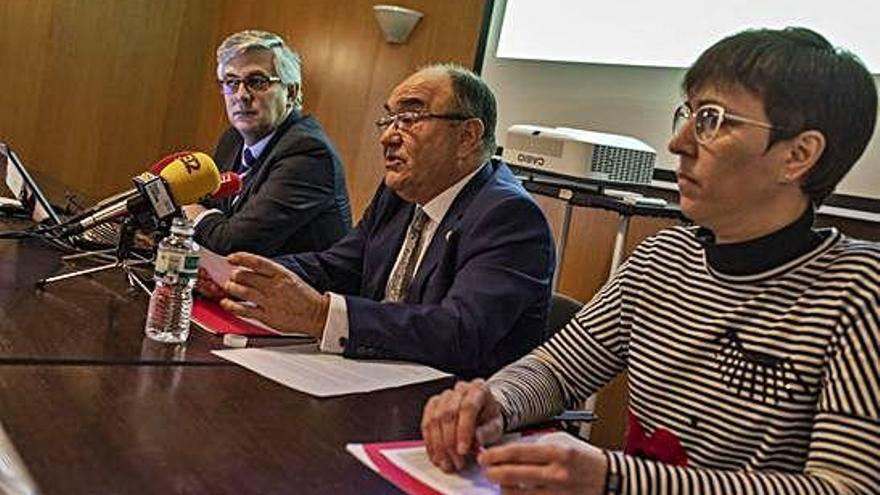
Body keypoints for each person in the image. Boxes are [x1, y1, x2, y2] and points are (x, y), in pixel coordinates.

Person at [421, 27, 879, 494]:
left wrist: (617, 477)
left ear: (798, 155)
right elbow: (556, 369)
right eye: (688, 114)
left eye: (713, 120)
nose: (678, 142)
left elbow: (844, 487)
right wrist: (495, 401)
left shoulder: (860, 290)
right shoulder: (663, 258)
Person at [216, 64, 556, 377]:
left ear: (467, 137)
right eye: (389, 119)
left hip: (455, 411)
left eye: (408, 118)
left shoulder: (509, 217)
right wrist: (242, 278)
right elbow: (338, 266)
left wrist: (321, 315)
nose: (387, 136)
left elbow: (459, 333)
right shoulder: (400, 195)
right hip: (374, 380)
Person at [183, 30, 352, 257]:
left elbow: (233, 243)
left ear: (292, 93)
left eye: (257, 81)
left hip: (299, 290)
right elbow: (216, 213)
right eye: (231, 82)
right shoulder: (232, 140)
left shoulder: (308, 154)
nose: (241, 95)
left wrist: (189, 210)